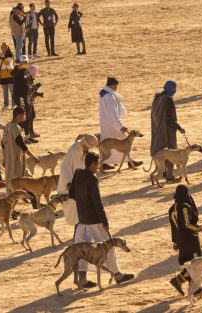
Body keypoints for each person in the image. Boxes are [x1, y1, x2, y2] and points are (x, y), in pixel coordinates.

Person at [70, 152, 135, 288]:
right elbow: (97, 203)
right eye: (97, 163)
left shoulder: (77, 174)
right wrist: (105, 222)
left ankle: (82, 278)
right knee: (109, 248)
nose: (98, 166)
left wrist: (82, 204)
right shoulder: (92, 178)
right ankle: (117, 274)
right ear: (93, 164)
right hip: (95, 221)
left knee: (82, 251)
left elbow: (71, 194)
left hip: (82, 221)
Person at [169, 184, 202, 296]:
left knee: (190, 263)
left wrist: (175, 242)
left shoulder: (172, 208)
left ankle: (194, 287)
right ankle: (178, 280)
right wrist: (200, 228)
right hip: (190, 239)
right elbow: (187, 225)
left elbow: (173, 227)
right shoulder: (185, 206)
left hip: (181, 240)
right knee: (195, 263)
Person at [99, 77, 142, 170]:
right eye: (115, 86)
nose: (116, 88)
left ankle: (106, 163)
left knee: (106, 142)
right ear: (112, 85)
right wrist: (121, 126)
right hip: (113, 124)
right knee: (125, 140)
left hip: (106, 123)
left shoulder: (104, 93)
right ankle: (130, 162)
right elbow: (113, 114)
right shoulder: (109, 97)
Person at [57, 134, 98, 225]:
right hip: (70, 181)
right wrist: (72, 187)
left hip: (78, 182)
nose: (87, 150)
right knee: (74, 207)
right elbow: (70, 169)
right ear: (84, 144)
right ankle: (78, 229)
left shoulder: (83, 148)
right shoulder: (75, 150)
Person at [150, 80, 184, 183]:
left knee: (163, 152)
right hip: (168, 131)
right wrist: (179, 127)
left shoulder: (158, 97)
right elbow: (170, 119)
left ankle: (163, 172)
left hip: (158, 129)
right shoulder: (168, 100)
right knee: (171, 152)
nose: (175, 91)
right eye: (174, 89)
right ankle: (170, 176)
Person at [2, 107, 39, 194]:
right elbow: (21, 144)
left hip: (8, 158)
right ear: (19, 115)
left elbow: (3, 144)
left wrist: (4, 158)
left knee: (11, 179)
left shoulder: (7, 126)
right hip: (16, 160)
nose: (24, 117)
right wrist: (33, 157)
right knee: (20, 180)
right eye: (24, 115)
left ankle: (28, 198)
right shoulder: (16, 127)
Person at [11, 55, 37, 143]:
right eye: (23, 62)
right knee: (23, 115)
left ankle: (27, 136)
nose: (25, 64)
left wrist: (33, 90)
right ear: (20, 62)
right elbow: (12, 73)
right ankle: (19, 136)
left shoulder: (26, 71)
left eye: (26, 62)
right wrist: (18, 67)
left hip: (26, 96)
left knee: (29, 115)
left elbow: (29, 83)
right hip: (19, 96)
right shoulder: (16, 70)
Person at [0, 43, 15, 111]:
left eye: (4, 47)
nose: (3, 48)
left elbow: (8, 64)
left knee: (12, 92)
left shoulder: (10, 55)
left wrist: (3, 58)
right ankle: (6, 105)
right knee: (5, 93)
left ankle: (14, 104)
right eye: (2, 47)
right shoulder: (0, 56)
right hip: (3, 77)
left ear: (7, 48)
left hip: (10, 76)